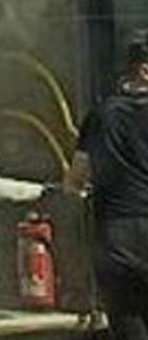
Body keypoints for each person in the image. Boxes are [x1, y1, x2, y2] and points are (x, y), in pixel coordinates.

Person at [65, 30, 148, 340]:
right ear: (144, 69)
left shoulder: (102, 115)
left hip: (118, 245)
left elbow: (74, 180)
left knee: (129, 327)